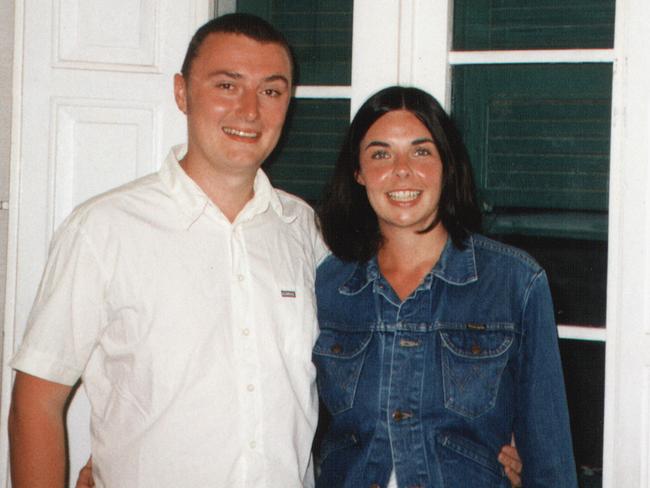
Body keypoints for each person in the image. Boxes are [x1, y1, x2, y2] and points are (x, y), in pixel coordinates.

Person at [8, 13, 326, 487]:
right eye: (226, 85)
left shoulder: (301, 228)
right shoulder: (104, 229)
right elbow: (37, 400)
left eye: (271, 91)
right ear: (182, 92)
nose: (250, 110)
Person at [313, 86, 578, 487]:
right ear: (358, 172)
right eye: (380, 154)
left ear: (446, 165)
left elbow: (549, 458)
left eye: (421, 151)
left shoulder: (514, 283)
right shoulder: (328, 285)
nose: (402, 169)